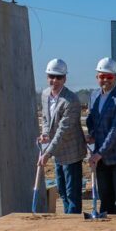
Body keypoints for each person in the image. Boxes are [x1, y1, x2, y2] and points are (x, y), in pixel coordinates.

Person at [86, 57, 116, 215]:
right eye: (102, 76)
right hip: (102, 159)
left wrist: (99, 153)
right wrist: (91, 134)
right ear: (97, 77)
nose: (105, 80)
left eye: (109, 77)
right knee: (105, 200)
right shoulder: (94, 96)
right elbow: (91, 120)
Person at [38, 58, 86, 214]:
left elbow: (63, 131)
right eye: (51, 76)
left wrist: (47, 153)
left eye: (59, 77)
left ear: (65, 78)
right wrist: (45, 134)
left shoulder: (71, 100)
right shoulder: (45, 94)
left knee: (72, 193)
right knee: (62, 191)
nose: (54, 80)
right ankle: (66, 221)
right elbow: (46, 119)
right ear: (47, 77)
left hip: (71, 153)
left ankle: (73, 225)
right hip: (57, 152)